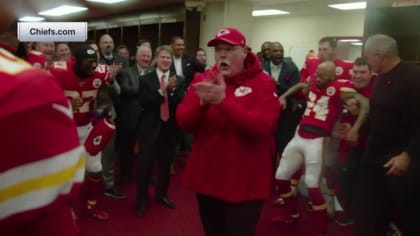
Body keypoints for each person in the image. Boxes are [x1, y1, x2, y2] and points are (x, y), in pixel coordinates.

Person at [176, 27, 280, 236]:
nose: (222, 54)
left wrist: (223, 102)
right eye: (218, 50)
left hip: (245, 183)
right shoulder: (204, 79)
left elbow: (262, 127)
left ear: (244, 51)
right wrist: (202, 103)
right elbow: (183, 121)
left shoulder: (263, 83)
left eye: (229, 49)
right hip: (209, 179)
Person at [0, 8, 85, 235]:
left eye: (52, 44)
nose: (49, 48)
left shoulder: (57, 71)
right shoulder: (26, 84)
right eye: (44, 44)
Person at [273, 61, 369, 236]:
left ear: (333, 77)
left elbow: (365, 104)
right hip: (299, 134)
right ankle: (291, 214)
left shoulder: (341, 87)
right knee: (280, 177)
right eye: (318, 73)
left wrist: (355, 128)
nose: (318, 77)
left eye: (323, 75)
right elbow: (301, 85)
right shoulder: (313, 79)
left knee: (312, 184)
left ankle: (321, 231)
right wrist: (284, 96)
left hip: (318, 140)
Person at [355, 34, 420, 236]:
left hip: (400, 157)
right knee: (370, 208)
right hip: (375, 153)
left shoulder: (413, 77)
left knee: (408, 212)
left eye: (367, 57)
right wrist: (358, 123)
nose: (366, 61)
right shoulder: (381, 77)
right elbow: (380, 113)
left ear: (379, 55)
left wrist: (407, 155)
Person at [50, 44, 121, 221]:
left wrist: (101, 116)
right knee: (67, 173)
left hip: (88, 126)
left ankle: (92, 205)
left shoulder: (99, 72)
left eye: (95, 62)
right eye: (89, 62)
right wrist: (64, 103)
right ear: (77, 62)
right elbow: (46, 99)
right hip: (66, 129)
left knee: (95, 169)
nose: (93, 66)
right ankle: (67, 209)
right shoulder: (59, 71)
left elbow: (104, 100)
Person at [136, 45, 186, 217]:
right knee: (145, 167)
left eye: (168, 58)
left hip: (169, 129)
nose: (165, 61)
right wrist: (162, 91)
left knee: (165, 166)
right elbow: (145, 102)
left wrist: (171, 93)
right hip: (149, 129)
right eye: (163, 57)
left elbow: (180, 100)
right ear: (156, 59)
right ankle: (142, 200)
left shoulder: (178, 80)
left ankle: (161, 195)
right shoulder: (146, 79)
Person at [334, 57, 376, 226]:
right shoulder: (347, 88)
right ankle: (351, 213)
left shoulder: (377, 90)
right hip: (348, 146)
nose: (358, 76)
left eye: (363, 72)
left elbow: (379, 121)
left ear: (371, 73)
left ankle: (365, 217)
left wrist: (356, 114)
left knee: (365, 184)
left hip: (371, 146)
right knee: (346, 179)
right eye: (355, 72)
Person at [117, 45, 154, 184]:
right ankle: (125, 174)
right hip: (130, 116)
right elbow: (124, 89)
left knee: (147, 148)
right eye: (143, 56)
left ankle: (146, 175)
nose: (146, 58)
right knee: (127, 147)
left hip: (148, 116)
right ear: (137, 57)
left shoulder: (153, 71)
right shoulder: (127, 72)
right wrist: (144, 88)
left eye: (148, 56)